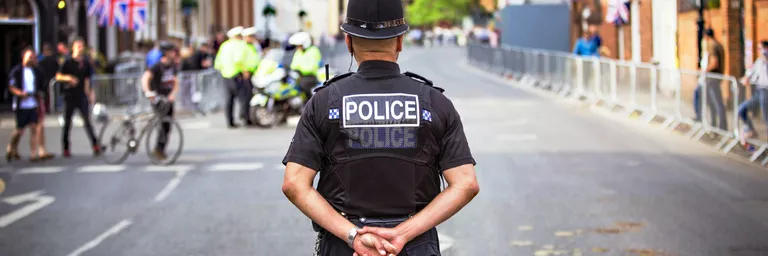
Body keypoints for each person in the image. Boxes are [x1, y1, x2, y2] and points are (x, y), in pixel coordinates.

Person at [281, 0, 480, 255]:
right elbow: (466, 183)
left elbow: (294, 184)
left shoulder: (323, 102)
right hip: (414, 245)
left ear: (348, 41)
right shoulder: (435, 102)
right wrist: (402, 233)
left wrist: (352, 236)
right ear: (399, 41)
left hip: (344, 246)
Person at [6, 47, 55, 162]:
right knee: (19, 129)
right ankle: (11, 147)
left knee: (34, 127)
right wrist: (20, 93)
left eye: (33, 57)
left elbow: (42, 85)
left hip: (33, 103)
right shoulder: (17, 71)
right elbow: (11, 86)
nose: (31, 59)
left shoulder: (36, 71)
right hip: (21, 104)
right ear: (23, 57)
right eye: (29, 57)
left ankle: (33, 154)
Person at [56, 38, 101, 157]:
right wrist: (69, 78)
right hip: (69, 95)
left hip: (81, 95)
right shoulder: (67, 61)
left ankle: (95, 145)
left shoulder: (85, 63)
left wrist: (89, 93)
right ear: (73, 48)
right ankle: (66, 148)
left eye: (82, 46)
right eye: (79, 46)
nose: (81, 48)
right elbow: (58, 76)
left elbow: (87, 79)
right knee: (67, 123)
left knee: (87, 121)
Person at [141, 42, 179, 160]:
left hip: (168, 100)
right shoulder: (157, 66)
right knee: (162, 125)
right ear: (166, 53)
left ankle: (160, 149)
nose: (174, 53)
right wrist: (148, 92)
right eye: (172, 51)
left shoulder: (172, 66)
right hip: (158, 99)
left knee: (167, 126)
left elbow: (176, 81)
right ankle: (158, 149)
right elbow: (145, 78)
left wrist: (173, 94)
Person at [214, 26, 253, 128]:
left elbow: (218, 63)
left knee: (229, 99)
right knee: (244, 97)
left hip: (226, 76)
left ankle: (230, 121)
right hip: (238, 75)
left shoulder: (224, 46)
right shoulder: (240, 45)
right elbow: (238, 60)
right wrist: (244, 71)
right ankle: (245, 118)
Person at [693, 28, 728, 131]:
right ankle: (714, 125)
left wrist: (704, 71)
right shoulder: (717, 44)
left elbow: (714, 63)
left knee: (716, 102)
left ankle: (721, 127)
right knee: (712, 102)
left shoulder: (712, 45)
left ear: (706, 36)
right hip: (713, 78)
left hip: (712, 78)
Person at [738, 40, 768, 142]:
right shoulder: (759, 61)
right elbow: (751, 72)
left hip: (766, 91)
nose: (760, 51)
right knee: (742, 109)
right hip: (759, 91)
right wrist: (746, 78)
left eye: (761, 48)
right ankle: (751, 130)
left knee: (766, 117)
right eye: (758, 49)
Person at [288, 32, 323, 100]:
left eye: (299, 45)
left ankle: (308, 103)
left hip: (310, 76)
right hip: (298, 76)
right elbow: (293, 65)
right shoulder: (298, 52)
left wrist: (300, 69)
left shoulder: (313, 50)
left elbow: (312, 67)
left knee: (303, 85)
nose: (298, 47)